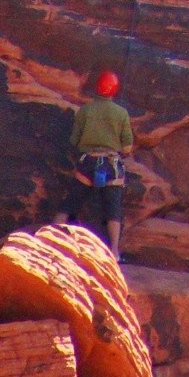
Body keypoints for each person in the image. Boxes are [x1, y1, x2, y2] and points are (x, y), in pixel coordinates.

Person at [58, 71, 133, 260]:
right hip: (111, 165)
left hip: (88, 163)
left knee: (71, 202)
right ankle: (114, 251)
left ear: (96, 88)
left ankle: (49, 240)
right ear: (114, 90)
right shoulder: (121, 113)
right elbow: (127, 146)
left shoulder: (85, 110)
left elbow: (74, 140)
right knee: (113, 208)